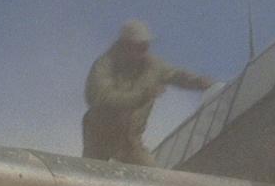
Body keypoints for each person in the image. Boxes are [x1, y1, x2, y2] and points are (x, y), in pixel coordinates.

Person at [82, 19, 214, 166]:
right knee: (89, 172)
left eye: (146, 46)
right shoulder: (105, 65)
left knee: (151, 175)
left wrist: (198, 82)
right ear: (125, 45)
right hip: (99, 135)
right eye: (139, 46)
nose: (145, 50)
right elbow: (99, 96)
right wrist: (142, 96)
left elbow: (176, 75)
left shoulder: (153, 66)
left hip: (130, 141)